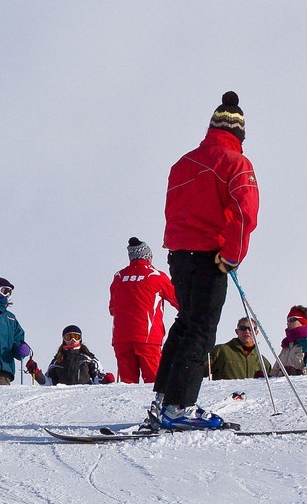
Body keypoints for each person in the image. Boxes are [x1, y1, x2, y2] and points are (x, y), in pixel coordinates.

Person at [150, 92, 259, 429]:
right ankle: (179, 408)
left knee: (185, 324)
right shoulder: (236, 162)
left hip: (179, 255)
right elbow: (245, 211)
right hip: (210, 257)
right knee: (200, 330)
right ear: (239, 133)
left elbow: (174, 209)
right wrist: (231, 255)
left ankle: (163, 400)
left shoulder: (182, 162)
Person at [108, 237, 178, 384]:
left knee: (126, 389)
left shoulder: (119, 277)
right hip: (148, 337)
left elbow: (112, 309)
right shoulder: (156, 276)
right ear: (148, 256)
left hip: (121, 337)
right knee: (154, 384)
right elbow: (179, 302)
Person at [46, 326, 113, 385]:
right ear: (64, 339)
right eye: (69, 337)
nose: (73, 340)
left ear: (80, 339)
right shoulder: (58, 360)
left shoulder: (87, 358)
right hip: (62, 395)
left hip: (84, 394)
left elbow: (97, 377)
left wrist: (105, 380)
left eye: (76, 337)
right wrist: (37, 374)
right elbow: (48, 382)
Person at [279, 305, 307, 376]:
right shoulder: (286, 346)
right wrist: (264, 377)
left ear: (303, 320)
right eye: (287, 320)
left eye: (292, 319)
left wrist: (298, 373)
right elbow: (275, 372)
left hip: (300, 386)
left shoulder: (305, 344)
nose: (288, 323)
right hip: (282, 386)